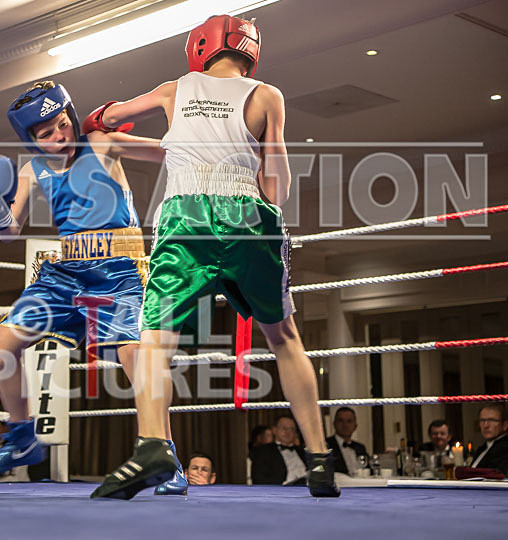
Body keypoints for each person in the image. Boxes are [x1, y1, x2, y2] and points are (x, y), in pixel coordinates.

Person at [87, 14, 339, 498]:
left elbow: (109, 117)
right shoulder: (267, 95)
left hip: (186, 215)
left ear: (200, 47)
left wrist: (98, 119)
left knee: (155, 337)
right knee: (284, 337)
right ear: (250, 52)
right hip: (249, 214)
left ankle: (154, 445)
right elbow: (277, 189)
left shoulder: (173, 88)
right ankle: (321, 459)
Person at [0, 81, 188, 495]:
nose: (60, 135)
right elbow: (8, 232)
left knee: (137, 359)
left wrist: (126, 118)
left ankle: (164, 456)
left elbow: (167, 153)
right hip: (65, 274)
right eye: (46, 133)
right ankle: (21, 439)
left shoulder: (102, 142)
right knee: (1, 345)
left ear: (71, 117)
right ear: (31, 140)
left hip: (120, 270)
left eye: (63, 124)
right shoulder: (32, 170)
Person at [250, 416, 308, 485]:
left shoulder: (303, 451)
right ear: (274, 430)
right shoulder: (263, 451)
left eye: (292, 429)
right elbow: (258, 479)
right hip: (283, 490)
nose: (288, 432)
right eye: (284, 428)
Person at [470, 403, 508, 475]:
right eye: (482, 420)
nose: (486, 425)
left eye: (491, 420)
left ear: (505, 425)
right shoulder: (481, 448)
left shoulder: (507, 450)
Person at [326, 407, 370, 476]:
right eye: (341, 420)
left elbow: (369, 471)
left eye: (349, 421)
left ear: (355, 426)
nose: (345, 425)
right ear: (334, 424)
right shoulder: (326, 445)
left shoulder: (360, 447)